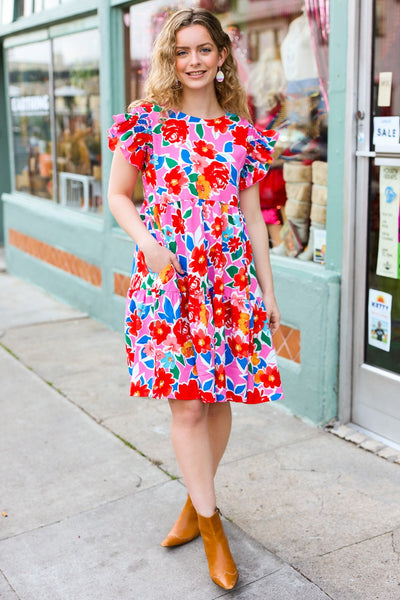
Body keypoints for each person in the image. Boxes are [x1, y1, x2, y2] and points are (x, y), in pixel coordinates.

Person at [107, 7, 283, 590]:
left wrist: (268, 289)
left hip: (228, 281)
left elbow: (254, 220)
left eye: (203, 50)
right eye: (181, 52)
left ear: (223, 55)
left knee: (219, 397)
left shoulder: (243, 135)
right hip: (171, 280)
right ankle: (211, 527)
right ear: (168, 58)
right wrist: (148, 245)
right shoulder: (146, 123)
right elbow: (118, 196)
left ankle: (193, 500)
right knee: (186, 404)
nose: (193, 62)